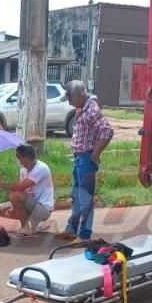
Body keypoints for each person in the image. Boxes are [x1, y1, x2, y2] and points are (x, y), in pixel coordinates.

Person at [55, 80, 114, 242]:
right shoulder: (82, 108)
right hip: (80, 158)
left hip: (86, 158)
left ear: (80, 95)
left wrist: (94, 155)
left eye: (70, 98)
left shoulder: (91, 110)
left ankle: (84, 234)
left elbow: (107, 131)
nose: (69, 102)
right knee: (76, 195)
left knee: (85, 198)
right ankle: (72, 228)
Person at [0, 144, 54, 237]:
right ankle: (34, 227)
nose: (17, 159)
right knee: (1, 209)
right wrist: (14, 206)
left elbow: (19, 188)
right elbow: (23, 191)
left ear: (26, 158)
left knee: (14, 196)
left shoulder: (41, 168)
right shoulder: (23, 170)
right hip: (32, 205)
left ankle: (25, 228)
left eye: (18, 157)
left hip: (43, 209)